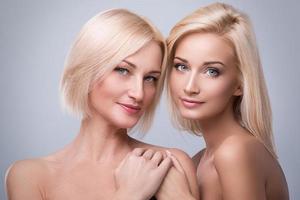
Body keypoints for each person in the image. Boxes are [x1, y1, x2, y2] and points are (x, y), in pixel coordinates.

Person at [5, 8, 199, 200]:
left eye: (150, 78)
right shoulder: (30, 176)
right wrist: (130, 194)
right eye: (123, 70)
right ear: (86, 71)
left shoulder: (170, 164)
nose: (139, 93)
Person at [165, 2, 289, 200]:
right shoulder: (198, 162)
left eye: (211, 71)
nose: (189, 86)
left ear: (239, 84)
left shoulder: (236, 152)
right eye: (181, 67)